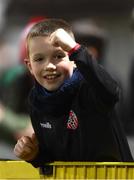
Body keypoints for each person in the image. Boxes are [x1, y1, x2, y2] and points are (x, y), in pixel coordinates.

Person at [14, 18, 133, 168]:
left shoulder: (89, 86)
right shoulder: (35, 100)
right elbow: (52, 161)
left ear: (73, 59)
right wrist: (34, 155)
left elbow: (112, 92)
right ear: (29, 66)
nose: (49, 66)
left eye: (58, 56)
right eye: (39, 59)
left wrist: (76, 49)